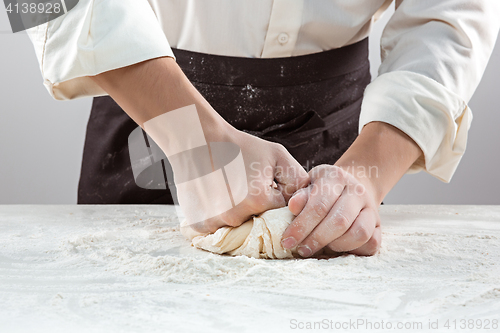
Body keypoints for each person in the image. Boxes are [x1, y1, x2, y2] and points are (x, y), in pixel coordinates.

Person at [26, 0, 500, 257]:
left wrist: (365, 175)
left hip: (340, 145)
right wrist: (193, 141)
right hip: (150, 109)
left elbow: (457, 12)